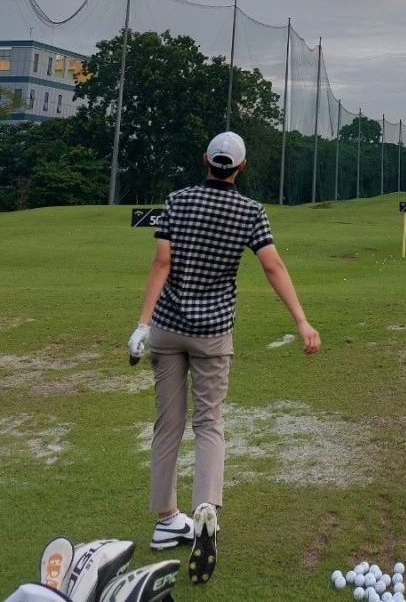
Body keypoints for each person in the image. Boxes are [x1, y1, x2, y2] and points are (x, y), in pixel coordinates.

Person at [127, 131, 321, 585]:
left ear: (205, 161)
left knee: (167, 425)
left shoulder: (177, 201)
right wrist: (301, 321)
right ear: (241, 167)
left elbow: (161, 263)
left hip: (167, 328)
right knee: (209, 423)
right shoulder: (249, 211)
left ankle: (166, 519)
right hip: (213, 334)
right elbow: (272, 266)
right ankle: (204, 510)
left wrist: (142, 323)